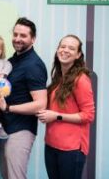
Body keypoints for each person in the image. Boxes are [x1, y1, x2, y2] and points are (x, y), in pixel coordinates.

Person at [0, 17, 48, 179]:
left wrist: (8, 108)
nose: (17, 39)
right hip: (6, 129)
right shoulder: (11, 61)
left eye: (23, 35)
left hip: (20, 130)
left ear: (33, 39)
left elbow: (41, 104)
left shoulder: (33, 65)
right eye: (15, 34)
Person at [36, 35, 95, 179]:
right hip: (51, 145)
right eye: (62, 46)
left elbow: (88, 115)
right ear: (57, 50)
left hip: (72, 149)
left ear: (78, 55)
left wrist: (56, 116)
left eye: (71, 48)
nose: (65, 50)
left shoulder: (81, 79)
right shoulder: (58, 78)